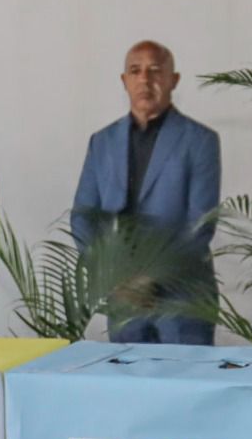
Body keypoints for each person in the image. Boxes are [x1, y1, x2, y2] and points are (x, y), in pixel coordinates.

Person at [71, 41, 221, 344]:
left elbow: (200, 225)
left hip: (183, 299)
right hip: (123, 300)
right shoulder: (102, 142)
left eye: (155, 71)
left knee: (186, 389)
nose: (145, 80)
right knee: (131, 389)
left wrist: (149, 279)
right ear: (123, 81)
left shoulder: (200, 141)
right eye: (135, 71)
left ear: (173, 80)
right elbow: (83, 218)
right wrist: (113, 277)